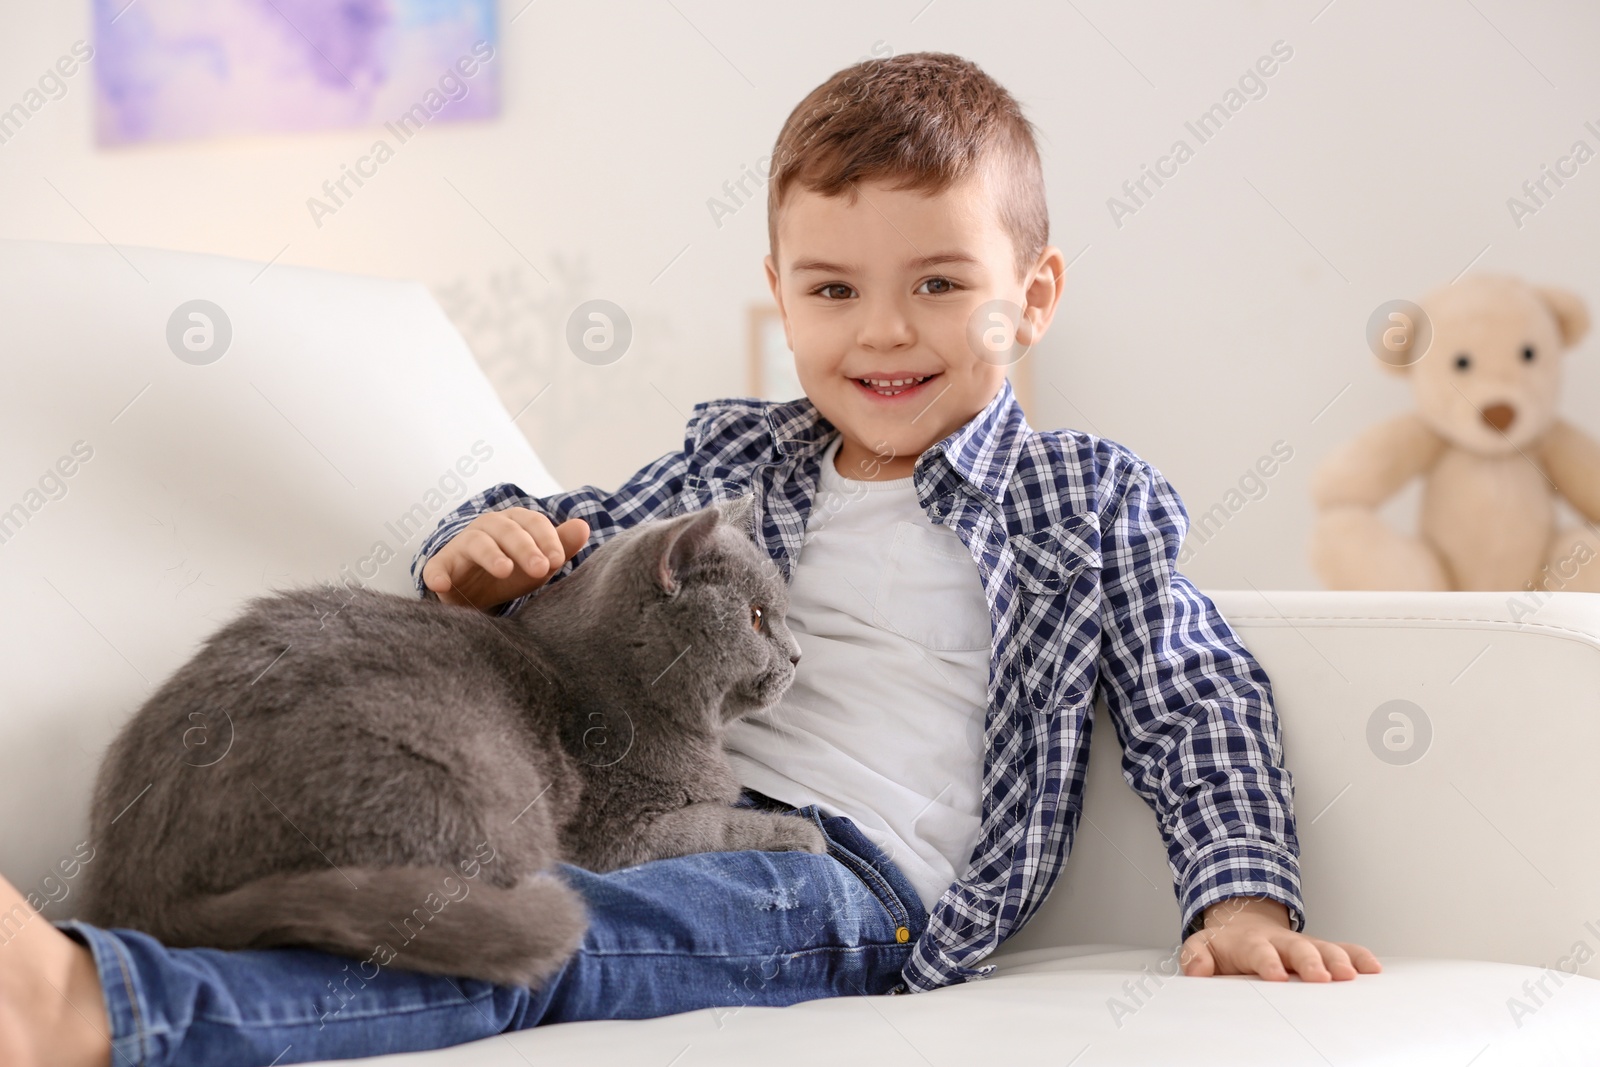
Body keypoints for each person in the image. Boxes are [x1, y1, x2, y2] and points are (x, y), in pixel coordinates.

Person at [0, 51, 1379, 1067]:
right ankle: (160, 938)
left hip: (854, 891)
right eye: (834, 290)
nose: (883, 333)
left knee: (548, 939)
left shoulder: (1083, 498)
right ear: (780, 295)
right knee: (444, 882)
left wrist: (1243, 900)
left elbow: (1197, 695)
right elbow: (577, 533)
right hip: (648, 802)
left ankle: (101, 1008)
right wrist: (480, 550)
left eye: (939, 284)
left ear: (1034, 295)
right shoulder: (745, 457)